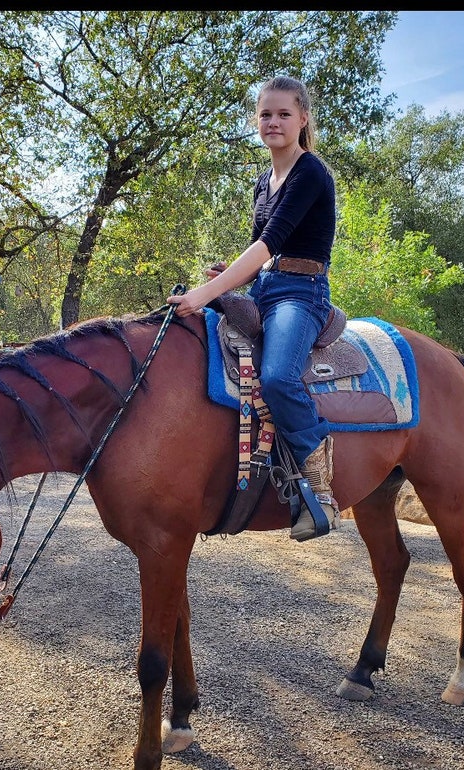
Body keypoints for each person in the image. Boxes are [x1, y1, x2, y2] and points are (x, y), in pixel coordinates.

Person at [167, 75, 339, 541]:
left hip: (301, 293)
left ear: (303, 119)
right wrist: (231, 275)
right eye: (266, 114)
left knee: (279, 377)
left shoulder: (311, 172)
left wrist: (204, 294)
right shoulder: (265, 179)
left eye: (284, 113)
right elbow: (258, 248)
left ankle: (320, 488)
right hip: (267, 287)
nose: (274, 122)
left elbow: (269, 243)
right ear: (255, 121)